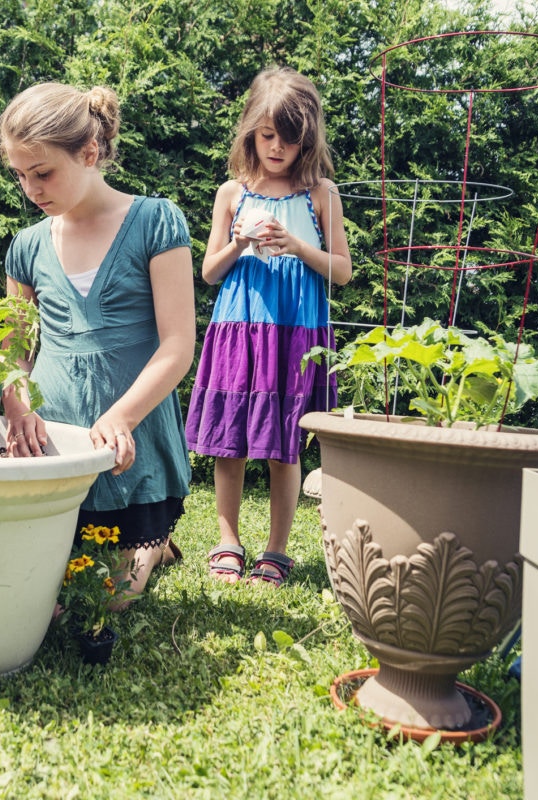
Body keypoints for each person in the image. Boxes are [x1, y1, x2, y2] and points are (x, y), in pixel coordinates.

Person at [0, 82, 196, 605]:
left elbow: (178, 346)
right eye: (19, 175)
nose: (31, 189)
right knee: (47, 596)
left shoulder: (155, 220)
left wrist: (121, 417)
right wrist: (14, 405)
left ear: (89, 153)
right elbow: (15, 350)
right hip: (56, 440)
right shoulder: (27, 246)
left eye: (42, 173)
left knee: (107, 599)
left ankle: (154, 545)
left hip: (131, 439)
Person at [185, 66, 352, 588]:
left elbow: (343, 271)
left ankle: (276, 551)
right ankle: (228, 540)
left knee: (286, 444)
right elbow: (210, 272)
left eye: (289, 138)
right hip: (240, 328)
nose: (277, 147)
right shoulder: (231, 193)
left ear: (308, 138)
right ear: (250, 133)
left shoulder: (321, 193)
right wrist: (237, 243)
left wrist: (298, 247)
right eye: (266, 136)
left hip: (296, 334)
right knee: (229, 440)